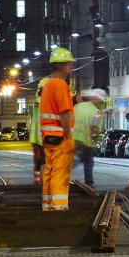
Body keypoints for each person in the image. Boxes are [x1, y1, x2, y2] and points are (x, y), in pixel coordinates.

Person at [38, 47, 76, 211]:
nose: (71, 68)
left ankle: (47, 205)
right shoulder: (60, 85)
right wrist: (69, 137)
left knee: (50, 172)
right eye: (70, 64)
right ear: (66, 66)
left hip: (48, 137)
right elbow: (64, 112)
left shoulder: (47, 85)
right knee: (60, 174)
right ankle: (59, 207)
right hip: (61, 137)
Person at [72, 89, 104, 188]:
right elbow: (94, 129)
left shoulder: (77, 106)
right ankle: (89, 184)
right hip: (85, 140)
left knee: (73, 159)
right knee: (88, 161)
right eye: (100, 101)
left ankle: (59, 175)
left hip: (72, 138)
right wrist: (96, 141)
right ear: (96, 100)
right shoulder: (95, 111)